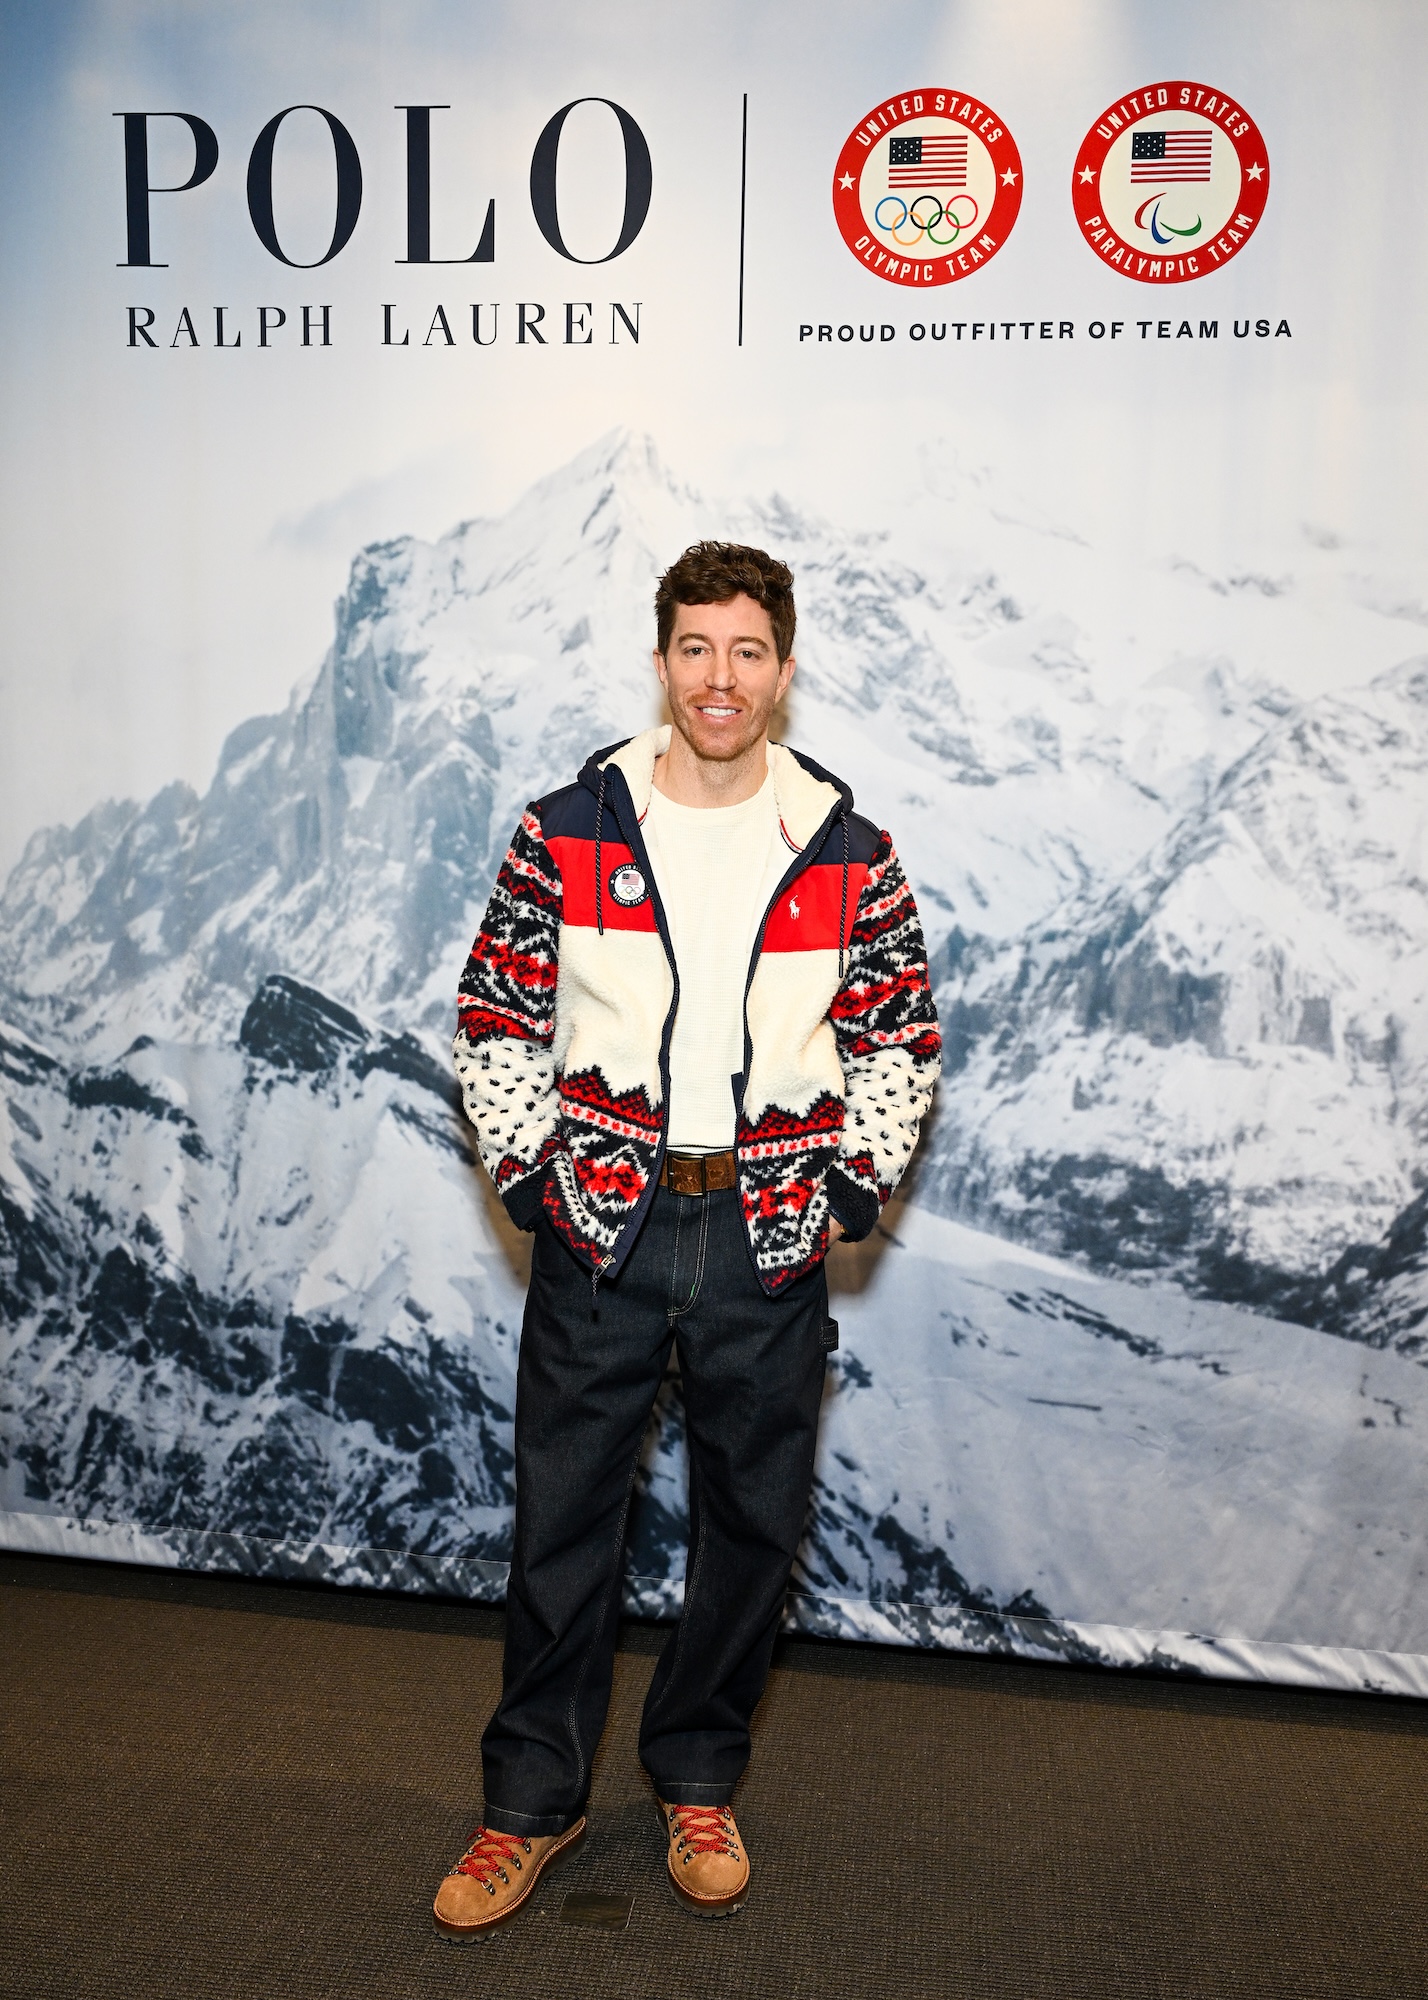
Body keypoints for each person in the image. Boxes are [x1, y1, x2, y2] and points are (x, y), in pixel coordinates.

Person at [435, 540, 940, 1938]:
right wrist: (534, 1175)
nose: (721, 678)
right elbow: (494, 1013)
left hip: (766, 1233)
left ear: (784, 669)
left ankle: (699, 1778)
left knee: (752, 1530)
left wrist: (846, 1191)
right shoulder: (569, 827)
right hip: (605, 1226)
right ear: (662, 662)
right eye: (697, 649)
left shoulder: (846, 848)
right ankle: (529, 1804)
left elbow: (899, 1039)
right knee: (561, 1527)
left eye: (747, 652)